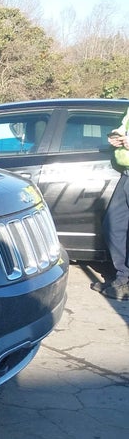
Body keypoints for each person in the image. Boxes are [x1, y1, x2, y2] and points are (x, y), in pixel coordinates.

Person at [92, 107, 129, 300]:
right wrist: (118, 138)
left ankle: (124, 281)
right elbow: (125, 129)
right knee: (113, 225)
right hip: (126, 173)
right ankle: (123, 277)